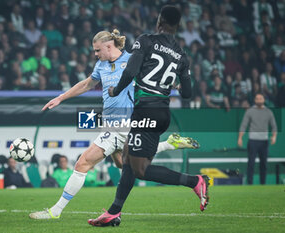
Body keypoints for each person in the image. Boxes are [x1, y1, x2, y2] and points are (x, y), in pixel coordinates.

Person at [29, 28, 199, 220]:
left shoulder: (134, 59)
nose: (95, 54)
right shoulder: (101, 65)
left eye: (97, 50)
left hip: (125, 124)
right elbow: (87, 84)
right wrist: (61, 97)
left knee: (83, 163)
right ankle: (170, 144)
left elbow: (156, 78)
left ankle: (55, 211)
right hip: (112, 124)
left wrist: (175, 85)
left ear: (108, 46)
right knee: (123, 164)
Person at [88, 5, 210, 227]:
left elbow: (131, 71)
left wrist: (115, 90)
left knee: (140, 169)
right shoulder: (182, 56)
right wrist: (179, 86)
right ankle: (114, 212)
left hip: (146, 110)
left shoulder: (146, 41)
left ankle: (195, 181)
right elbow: (188, 94)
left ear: (159, 21)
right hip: (161, 111)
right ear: (178, 25)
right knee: (127, 157)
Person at [238, 93, 277, 185]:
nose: (259, 100)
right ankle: (250, 184)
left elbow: (274, 126)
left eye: (261, 98)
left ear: (264, 100)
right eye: (257, 98)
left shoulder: (268, 112)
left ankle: (263, 184)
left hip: (264, 141)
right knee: (251, 163)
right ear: (255, 100)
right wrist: (240, 138)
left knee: (264, 164)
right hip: (253, 141)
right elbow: (244, 125)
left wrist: (274, 136)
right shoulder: (250, 111)